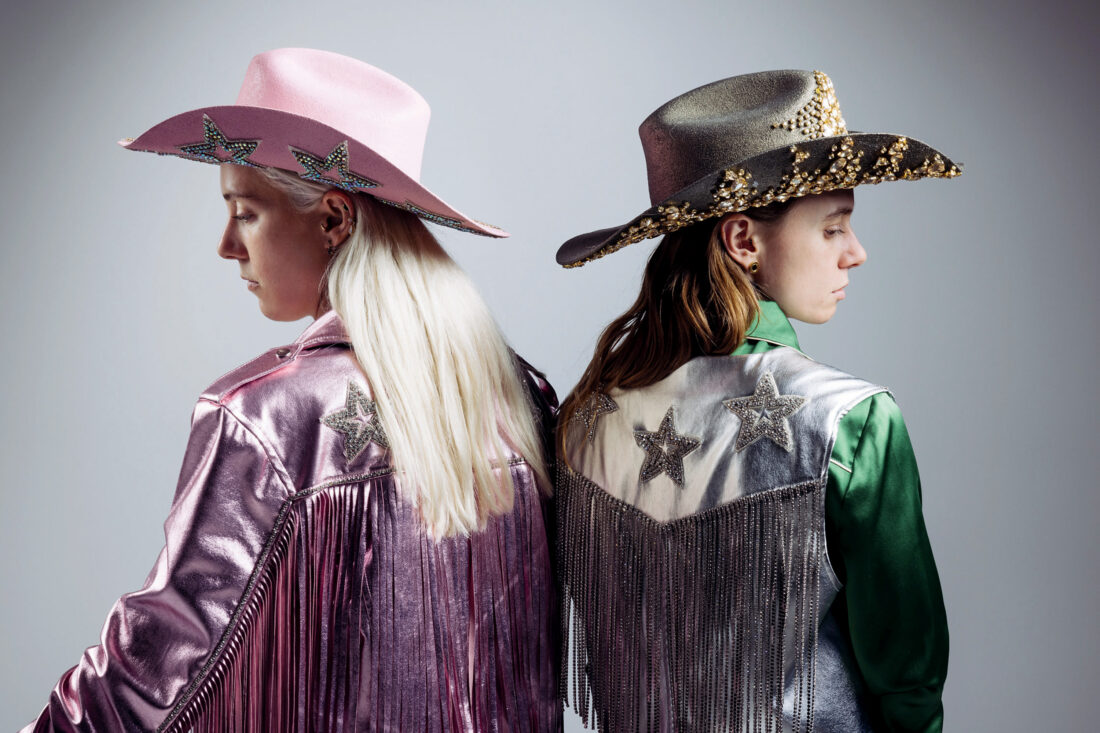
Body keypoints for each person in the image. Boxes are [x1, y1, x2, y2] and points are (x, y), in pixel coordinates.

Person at [24, 48, 561, 732]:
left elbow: (154, 664)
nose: (227, 245)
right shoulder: (520, 394)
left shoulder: (265, 418)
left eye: (244, 211)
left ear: (335, 218)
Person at [554, 70, 959, 732]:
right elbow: (907, 679)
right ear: (743, 240)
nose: (856, 253)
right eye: (833, 228)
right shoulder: (850, 423)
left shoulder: (583, 423)